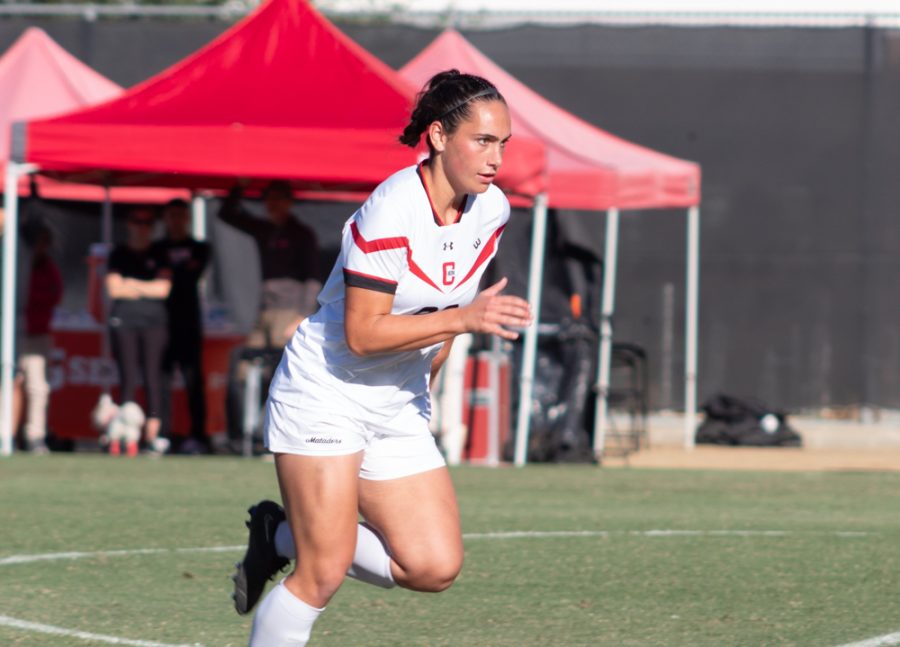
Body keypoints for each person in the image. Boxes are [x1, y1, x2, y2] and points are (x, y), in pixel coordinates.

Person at [231, 69, 533, 646]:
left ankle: (280, 536)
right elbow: (365, 334)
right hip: (327, 392)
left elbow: (448, 305)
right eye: (482, 140)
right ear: (439, 136)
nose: (495, 158)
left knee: (433, 565)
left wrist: (426, 380)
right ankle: (299, 548)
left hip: (396, 400)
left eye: (503, 143)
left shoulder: (490, 209)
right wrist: (463, 322)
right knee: (322, 574)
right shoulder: (392, 208)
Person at [218, 179, 321, 349]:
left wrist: (302, 315)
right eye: (269, 198)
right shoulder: (264, 229)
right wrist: (240, 186)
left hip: (289, 309)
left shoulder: (301, 233)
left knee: (282, 358)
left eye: (278, 199)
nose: (272, 204)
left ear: (289, 202)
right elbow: (226, 215)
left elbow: (313, 277)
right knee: (250, 358)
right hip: (265, 306)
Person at [105, 207, 172, 456]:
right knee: (128, 377)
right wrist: (147, 286)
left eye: (147, 222)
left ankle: (153, 435)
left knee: (153, 377)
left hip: (154, 322)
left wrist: (131, 283)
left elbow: (163, 289)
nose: (141, 227)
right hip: (125, 321)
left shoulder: (159, 253)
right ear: (129, 224)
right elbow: (113, 289)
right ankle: (124, 432)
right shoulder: (119, 253)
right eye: (137, 221)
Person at [152, 198, 211, 454]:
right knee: (160, 379)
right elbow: (159, 277)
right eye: (171, 215)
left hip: (189, 322)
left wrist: (170, 276)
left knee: (193, 380)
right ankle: (162, 433)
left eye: (180, 215)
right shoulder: (157, 247)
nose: (175, 221)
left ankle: (198, 435)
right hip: (161, 322)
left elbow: (188, 276)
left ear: (187, 218)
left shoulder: (199, 247)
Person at [16, 222, 63, 454]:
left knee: (38, 387)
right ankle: (7, 434)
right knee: (11, 384)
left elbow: (55, 295)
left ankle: (35, 436)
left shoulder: (48, 268)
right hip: (14, 332)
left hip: (38, 333)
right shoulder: (14, 263)